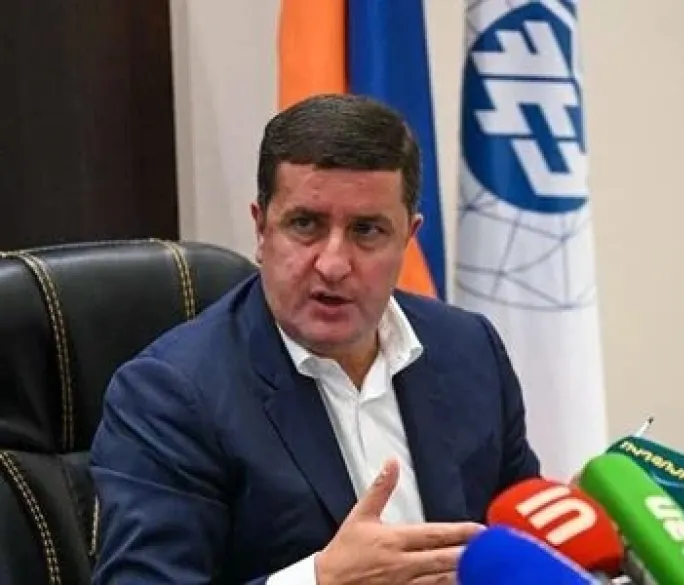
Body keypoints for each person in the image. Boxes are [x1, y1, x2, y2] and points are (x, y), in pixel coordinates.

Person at [90, 93, 541, 585]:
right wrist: (321, 580)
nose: (333, 264)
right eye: (305, 225)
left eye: (367, 230)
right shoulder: (171, 395)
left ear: (407, 238)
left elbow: (523, 542)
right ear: (261, 229)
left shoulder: (469, 349)